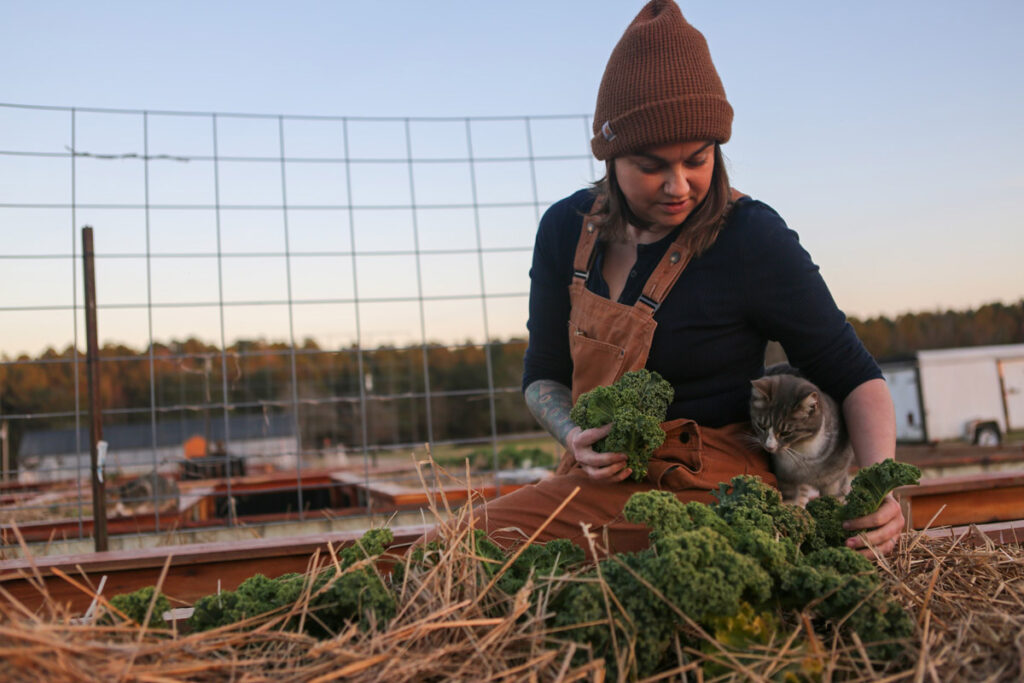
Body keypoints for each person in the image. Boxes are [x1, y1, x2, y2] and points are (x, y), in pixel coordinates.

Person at [464, 0, 905, 559]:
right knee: (454, 551)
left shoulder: (752, 237)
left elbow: (856, 375)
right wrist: (573, 434)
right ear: (610, 156)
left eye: (698, 159)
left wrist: (879, 490)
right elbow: (543, 375)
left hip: (719, 489)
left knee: (473, 550)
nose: (679, 185)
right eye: (651, 166)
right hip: (601, 483)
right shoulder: (562, 231)